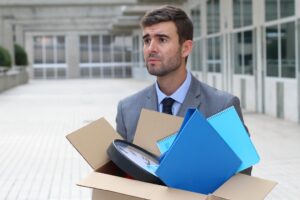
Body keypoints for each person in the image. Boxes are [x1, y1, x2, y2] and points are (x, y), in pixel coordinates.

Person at [116, 5, 251, 175]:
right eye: (147, 40)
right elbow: (119, 175)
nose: (151, 48)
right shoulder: (127, 109)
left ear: (186, 48)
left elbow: (242, 178)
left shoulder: (221, 106)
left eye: (162, 39)